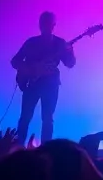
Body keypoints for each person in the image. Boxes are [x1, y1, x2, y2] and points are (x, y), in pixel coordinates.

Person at [11, 11, 77, 144]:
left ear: (54, 25)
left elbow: (69, 64)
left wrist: (71, 52)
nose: (47, 27)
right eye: (44, 24)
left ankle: (45, 150)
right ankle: (19, 148)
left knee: (47, 119)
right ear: (40, 25)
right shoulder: (31, 42)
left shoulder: (60, 43)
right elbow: (15, 61)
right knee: (25, 118)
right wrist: (31, 69)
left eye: (49, 24)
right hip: (32, 84)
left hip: (50, 84)